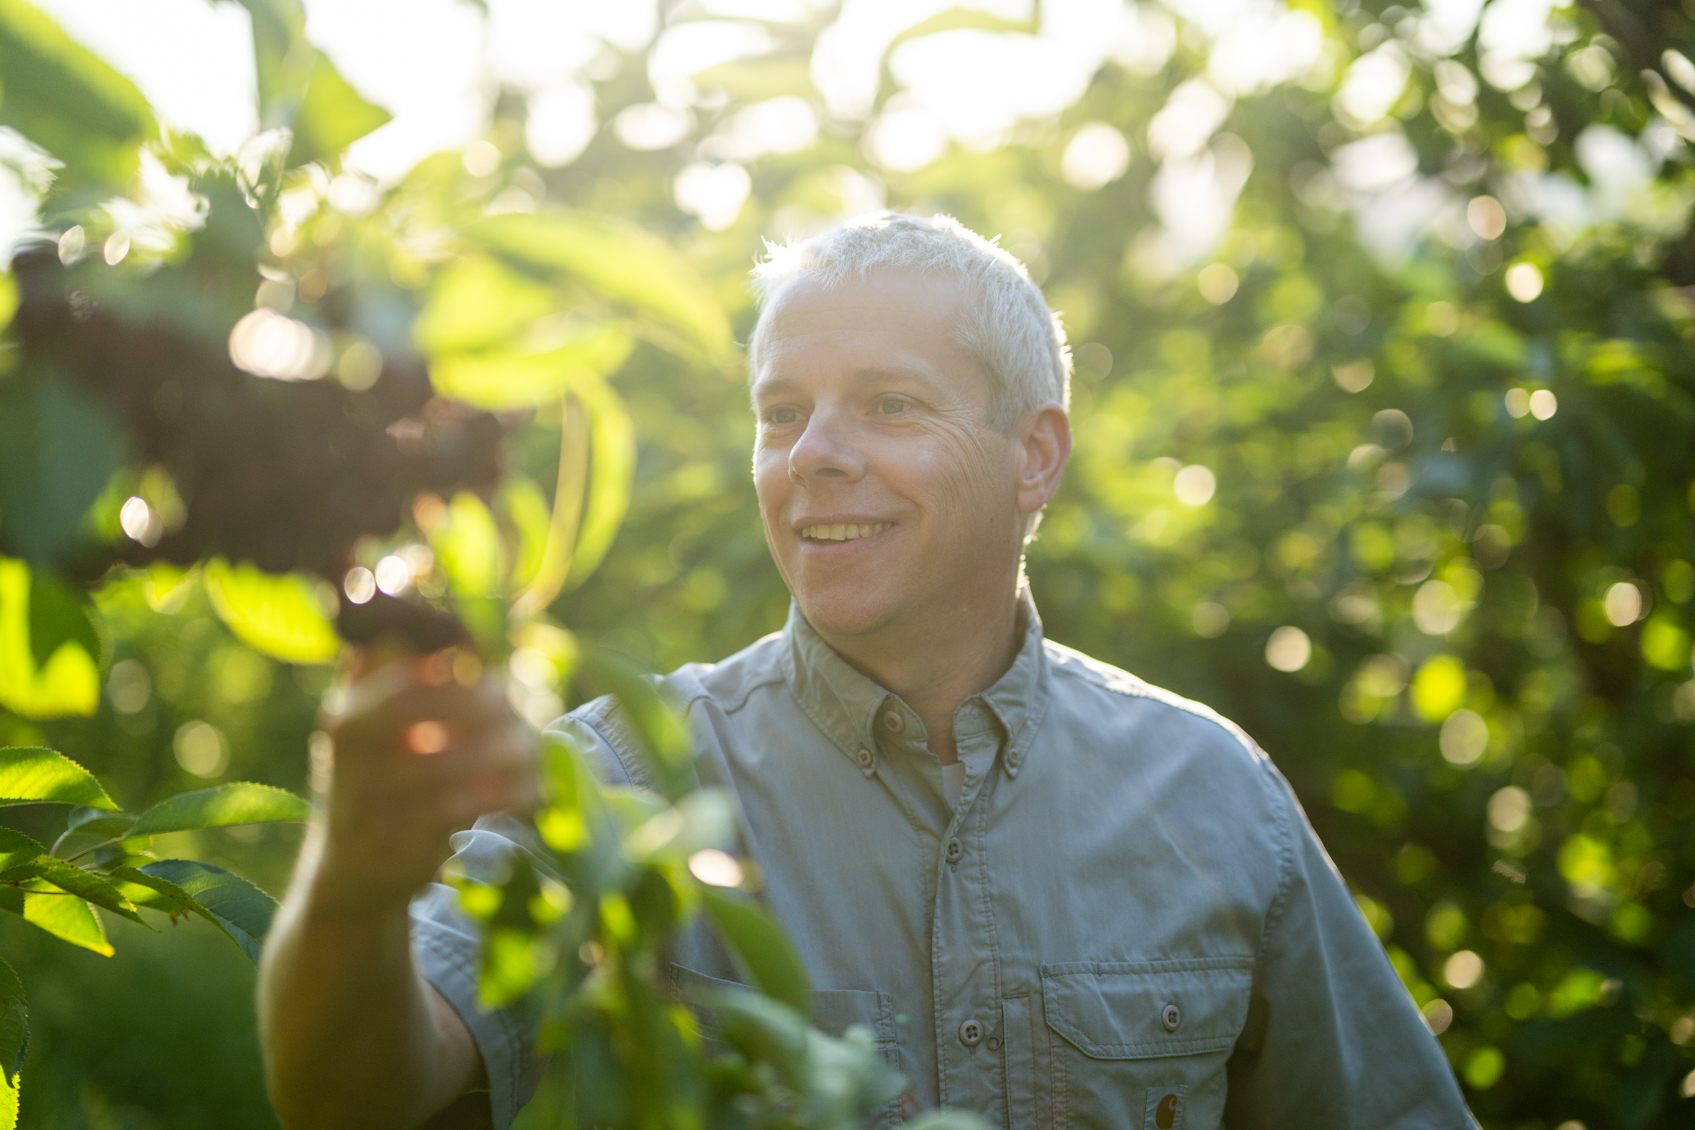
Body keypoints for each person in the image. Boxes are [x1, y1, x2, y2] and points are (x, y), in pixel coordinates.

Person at [258, 212, 1474, 1130]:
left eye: (890, 403)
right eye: (782, 413)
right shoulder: (613, 780)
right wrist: (356, 880)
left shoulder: (1212, 790)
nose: (816, 457)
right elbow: (353, 1092)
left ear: (1033, 456)